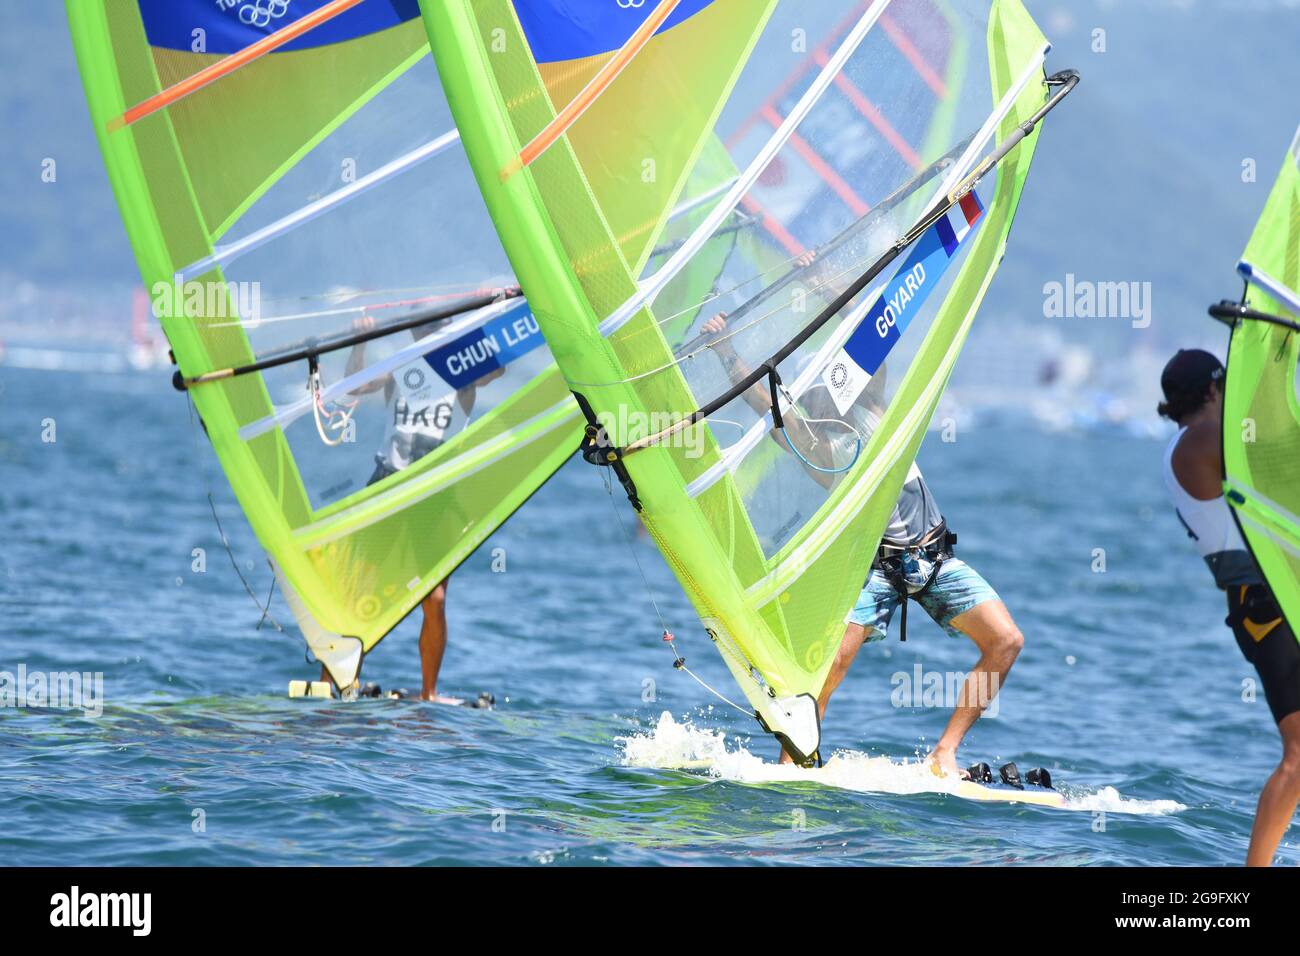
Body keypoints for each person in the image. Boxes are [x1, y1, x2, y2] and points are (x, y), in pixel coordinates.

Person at [699, 312, 1025, 775]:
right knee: (827, 667)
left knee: (1006, 640)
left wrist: (825, 279)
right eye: (822, 395)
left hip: (935, 559)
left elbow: (877, 338)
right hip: (879, 572)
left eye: (837, 389)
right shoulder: (822, 452)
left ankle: (944, 754)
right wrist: (728, 351)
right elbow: (769, 406)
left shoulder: (876, 414)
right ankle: (793, 764)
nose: (833, 398)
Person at [1159, 347, 1300, 866]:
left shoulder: (1190, 440)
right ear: (1217, 390)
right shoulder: (1201, 439)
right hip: (1265, 606)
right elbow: (1282, 446)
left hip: (1278, 596)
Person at [318, 313, 502, 703]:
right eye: (422, 329)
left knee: (434, 599)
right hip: (387, 483)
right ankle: (330, 683)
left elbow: (496, 368)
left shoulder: (462, 372)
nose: (426, 334)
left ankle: (429, 693)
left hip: (435, 496)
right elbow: (355, 386)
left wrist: (497, 310)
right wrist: (361, 340)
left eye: (436, 328)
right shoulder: (402, 367)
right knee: (355, 587)